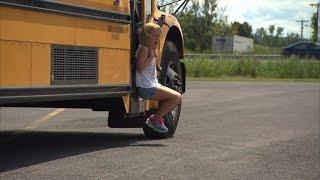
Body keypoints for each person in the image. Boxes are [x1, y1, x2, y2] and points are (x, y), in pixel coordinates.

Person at [136, 22, 182, 133]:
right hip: (146, 88)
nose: (158, 38)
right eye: (155, 36)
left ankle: (156, 118)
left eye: (158, 36)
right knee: (176, 97)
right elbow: (139, 68)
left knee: (176, 96)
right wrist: (151, 57)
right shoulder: (144, 50)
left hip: (151, 85)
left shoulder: (149, 48)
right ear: (147, 36)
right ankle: (155, 119)